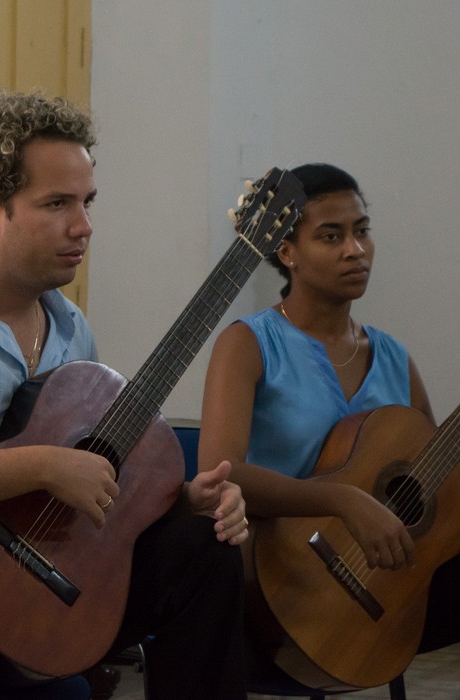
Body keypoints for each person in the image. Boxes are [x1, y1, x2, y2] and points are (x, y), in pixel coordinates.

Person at [0, 90, 250, 700]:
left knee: (204, 549)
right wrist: (42, 465)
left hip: (36, 576)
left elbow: (86, 476)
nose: (83, 226)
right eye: (57, 204)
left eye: (87, 201)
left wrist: (172, 504)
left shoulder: (72, 330)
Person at [198, 163, 460, 679]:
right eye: (331, 236)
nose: (355, 250)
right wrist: (345, 501)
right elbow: (220, 474)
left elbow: (438, 488)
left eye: (362, 231)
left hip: (382, 588)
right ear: (286, 251)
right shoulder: (249, 344)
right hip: (276, 586)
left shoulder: (393, 356)